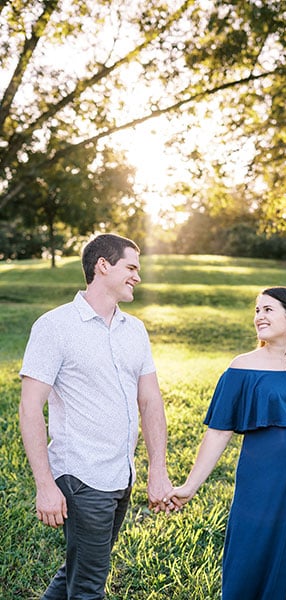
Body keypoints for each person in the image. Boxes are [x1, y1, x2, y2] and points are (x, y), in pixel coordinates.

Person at [19, 233, 178, 600]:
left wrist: (158, 469)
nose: (138, 276)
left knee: (79, 569)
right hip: (81, 476)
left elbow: (151, 401)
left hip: (121, 474)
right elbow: (30, 408)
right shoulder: (54, 326)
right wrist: (45, 485)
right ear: (102, 266)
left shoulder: (134, 330)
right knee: (89, 586)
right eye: (131, 267)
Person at [167, 286, 286, 600]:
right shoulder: (242, 368)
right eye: (257, 310)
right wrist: (190, 486)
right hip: (262, 480)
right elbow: (219, 432)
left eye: (268, 309)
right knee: (255, 552)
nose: (259, 316)